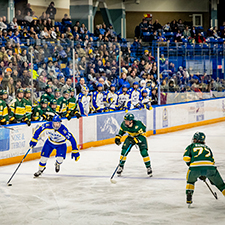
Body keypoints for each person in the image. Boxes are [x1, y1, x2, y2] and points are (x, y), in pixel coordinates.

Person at [183, 132, 225, 206]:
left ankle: (189, 195)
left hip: (195, 168)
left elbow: (186, 158)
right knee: (221, 185)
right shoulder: (207, 147)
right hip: (210, 168)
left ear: (196, 140)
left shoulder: (191, 146)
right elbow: (212, 161)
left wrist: (192, 166)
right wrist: (206, 173)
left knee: (190, 181)